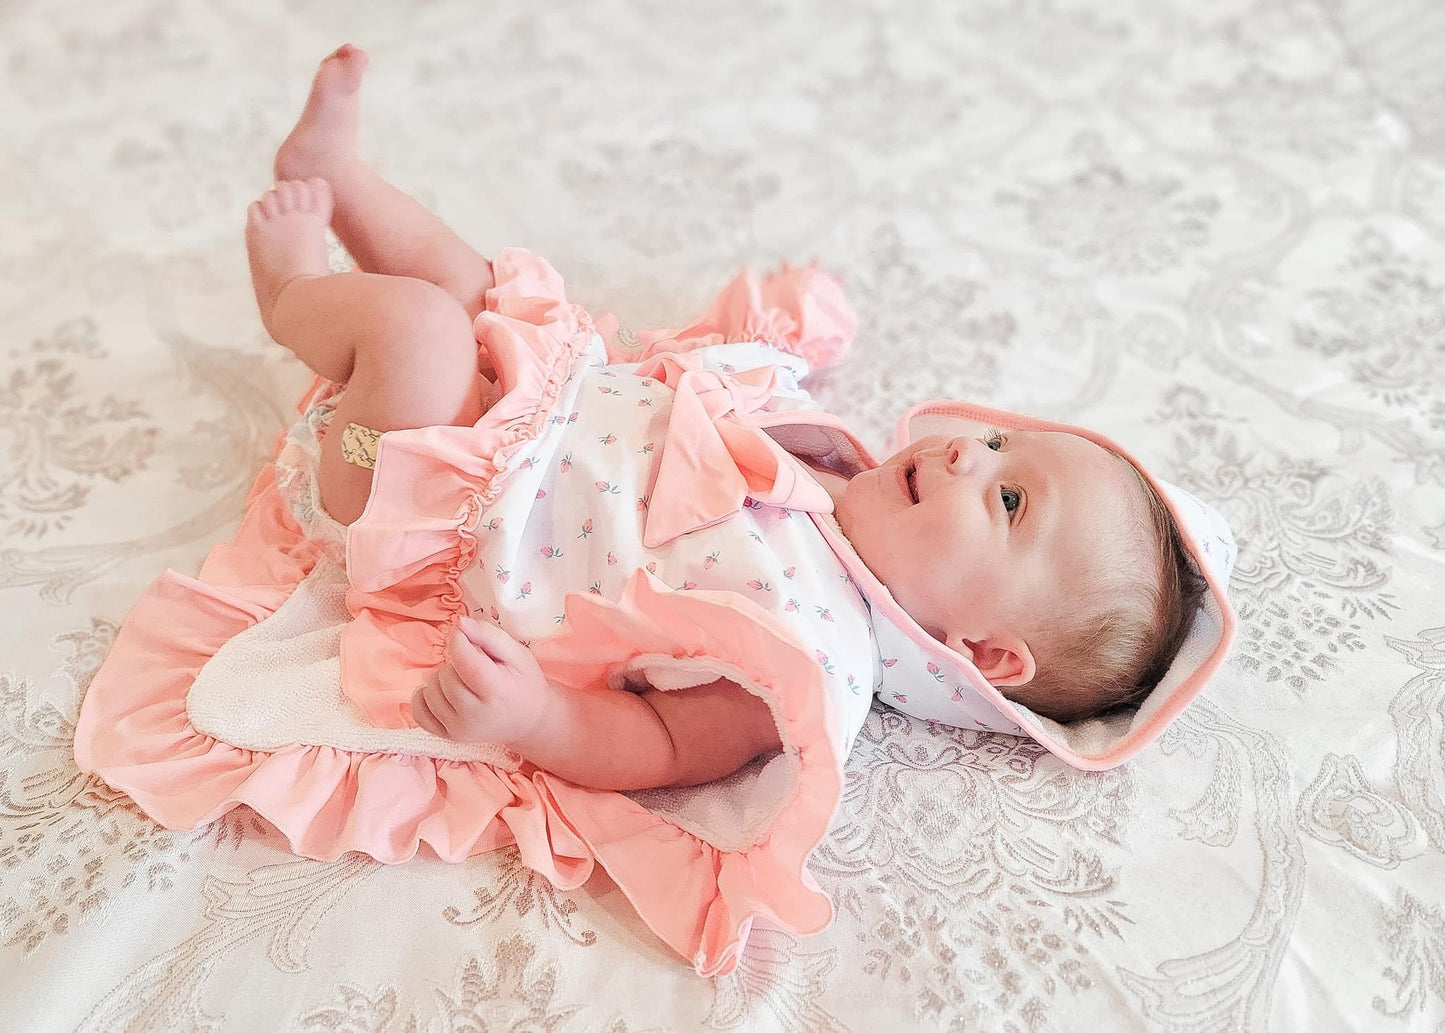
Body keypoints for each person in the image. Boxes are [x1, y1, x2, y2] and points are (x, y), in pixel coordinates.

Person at [249, 44, 1213, 793]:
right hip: (531, 395)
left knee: (420, 332)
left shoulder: (802, 653)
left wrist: (533, 716)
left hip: (398, 492)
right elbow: (699, 383)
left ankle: (290, 291)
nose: (969, 447)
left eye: (1006, 497)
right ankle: (341, 175)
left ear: (986, 653)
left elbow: (659, 745)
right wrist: (780, 329)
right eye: (1001, 440)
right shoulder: (833, 472)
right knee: (474, 286)